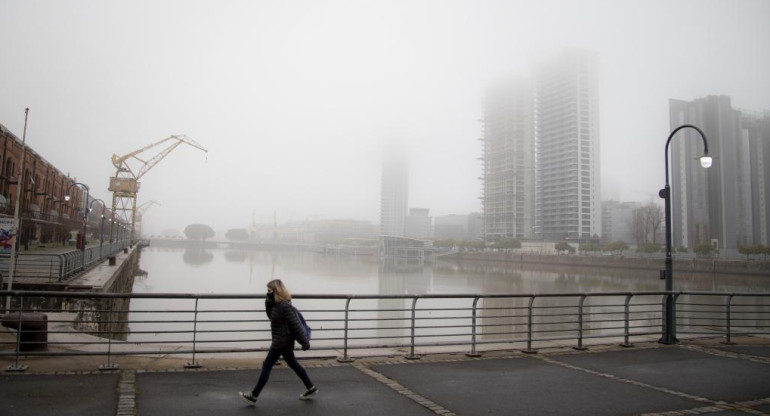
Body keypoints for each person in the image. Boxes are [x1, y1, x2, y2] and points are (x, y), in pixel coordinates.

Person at [239, 279, 317, 405]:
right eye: (267, 291)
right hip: (282, 341)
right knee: (293, 364)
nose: (267, 293)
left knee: (267, 365)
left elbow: (296, 325)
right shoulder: (276, 306)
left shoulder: (285, 307)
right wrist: (268, 301)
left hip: (281, 342)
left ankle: (253, 395)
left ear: (276, 291)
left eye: (269, 291)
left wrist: (305, 342)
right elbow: (271, 316)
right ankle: (311, 388)